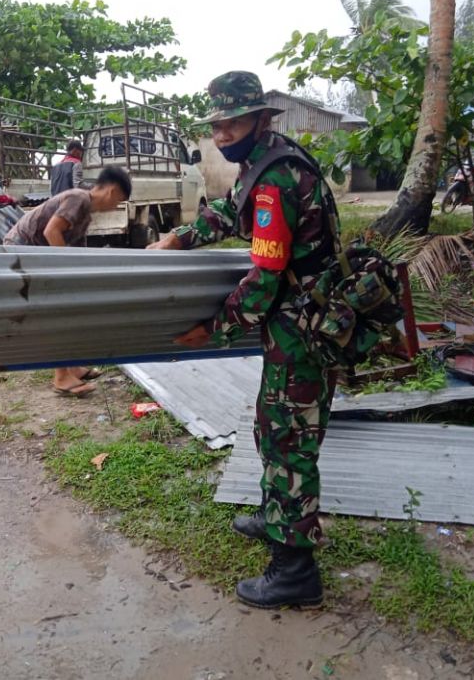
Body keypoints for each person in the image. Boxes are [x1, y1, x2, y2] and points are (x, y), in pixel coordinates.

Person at [148, 71, 341, 610]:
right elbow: (227, 214)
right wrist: (178, 239)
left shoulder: (276, 178)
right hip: (301, 321)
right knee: (272, 426)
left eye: (233, 123)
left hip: (300, 328)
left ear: (260, 119)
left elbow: (264, 279)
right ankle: (275, 514)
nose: (223, 134)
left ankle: (294, 571)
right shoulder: (267, 162)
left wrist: (214, 330)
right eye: (218, 125)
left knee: (289, 442)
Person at [4, 166, 132, 397]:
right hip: (23, 251)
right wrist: (66, 273)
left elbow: (77, 252)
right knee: (58, 310)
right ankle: (61, 376)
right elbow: (52, 232)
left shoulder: (85, 214)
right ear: (112, 192)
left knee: (72, 304)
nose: (115, 206)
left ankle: (72, 366)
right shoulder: (78, 198)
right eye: (119, 201)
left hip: (38, 253)